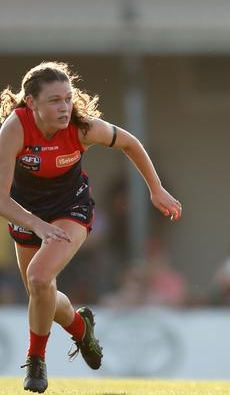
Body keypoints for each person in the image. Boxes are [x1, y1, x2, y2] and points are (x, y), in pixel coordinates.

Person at [0, 61, 182, 393]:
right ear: (31, 102)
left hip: (71, 209)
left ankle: (36, 363)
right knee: (41, 293)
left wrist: (155, 189)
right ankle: (81, 327)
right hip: (28, 215)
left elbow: (130, 143)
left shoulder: (83, 128)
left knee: (40, 278)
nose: (64, 107)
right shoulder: (15, 129)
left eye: (68, 98)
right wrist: (37, 225)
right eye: (54, 100)